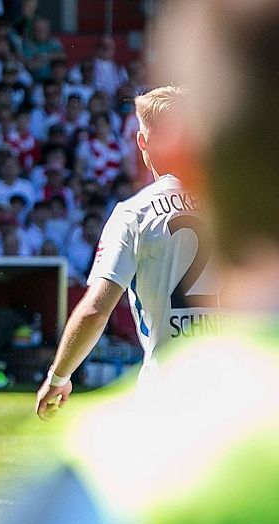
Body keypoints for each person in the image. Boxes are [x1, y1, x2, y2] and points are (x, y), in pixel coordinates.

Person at [0, 2, 279, 524]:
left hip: (176, 402)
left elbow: (96, 303)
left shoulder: (135, 213)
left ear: (158, 143)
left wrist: (58, 375)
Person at [35, 86, 219, 420]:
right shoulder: (236, 207)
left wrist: (58, 377)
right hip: (241, 390)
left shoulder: (134, 213)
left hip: (169, 391)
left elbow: (96, 310)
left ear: (142, 143)